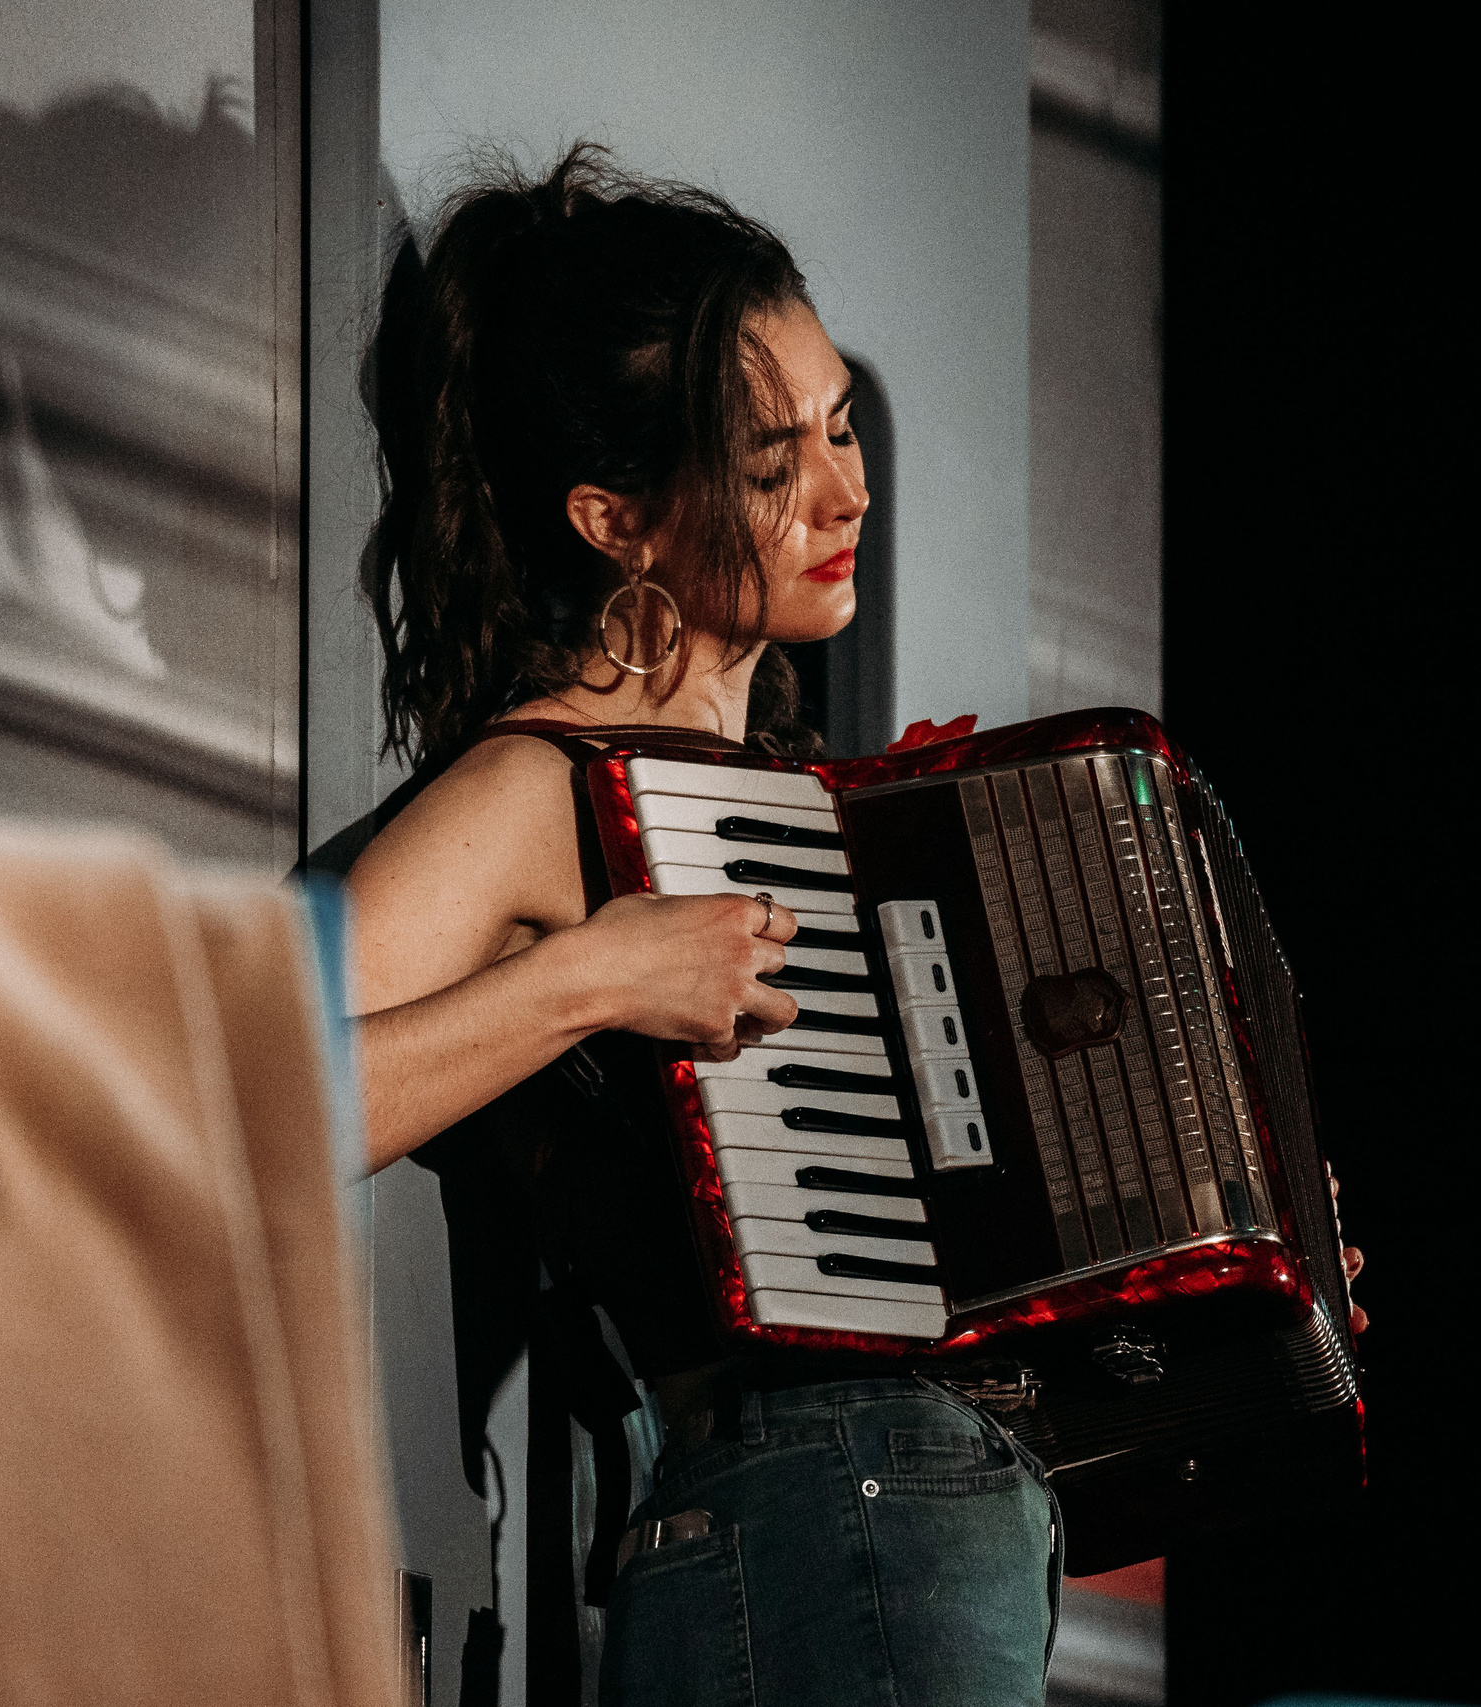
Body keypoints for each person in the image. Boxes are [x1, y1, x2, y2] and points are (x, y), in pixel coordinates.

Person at [342, 147, 1359, 1705]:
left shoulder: (805, 806)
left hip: (928, 1518)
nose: (845, 488)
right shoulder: (540, 783)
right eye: (773, 463)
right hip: (821, 1516)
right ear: (617, 519)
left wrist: (1215, 1244)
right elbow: (248, 1107)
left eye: (840, 425)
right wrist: (586, 977)